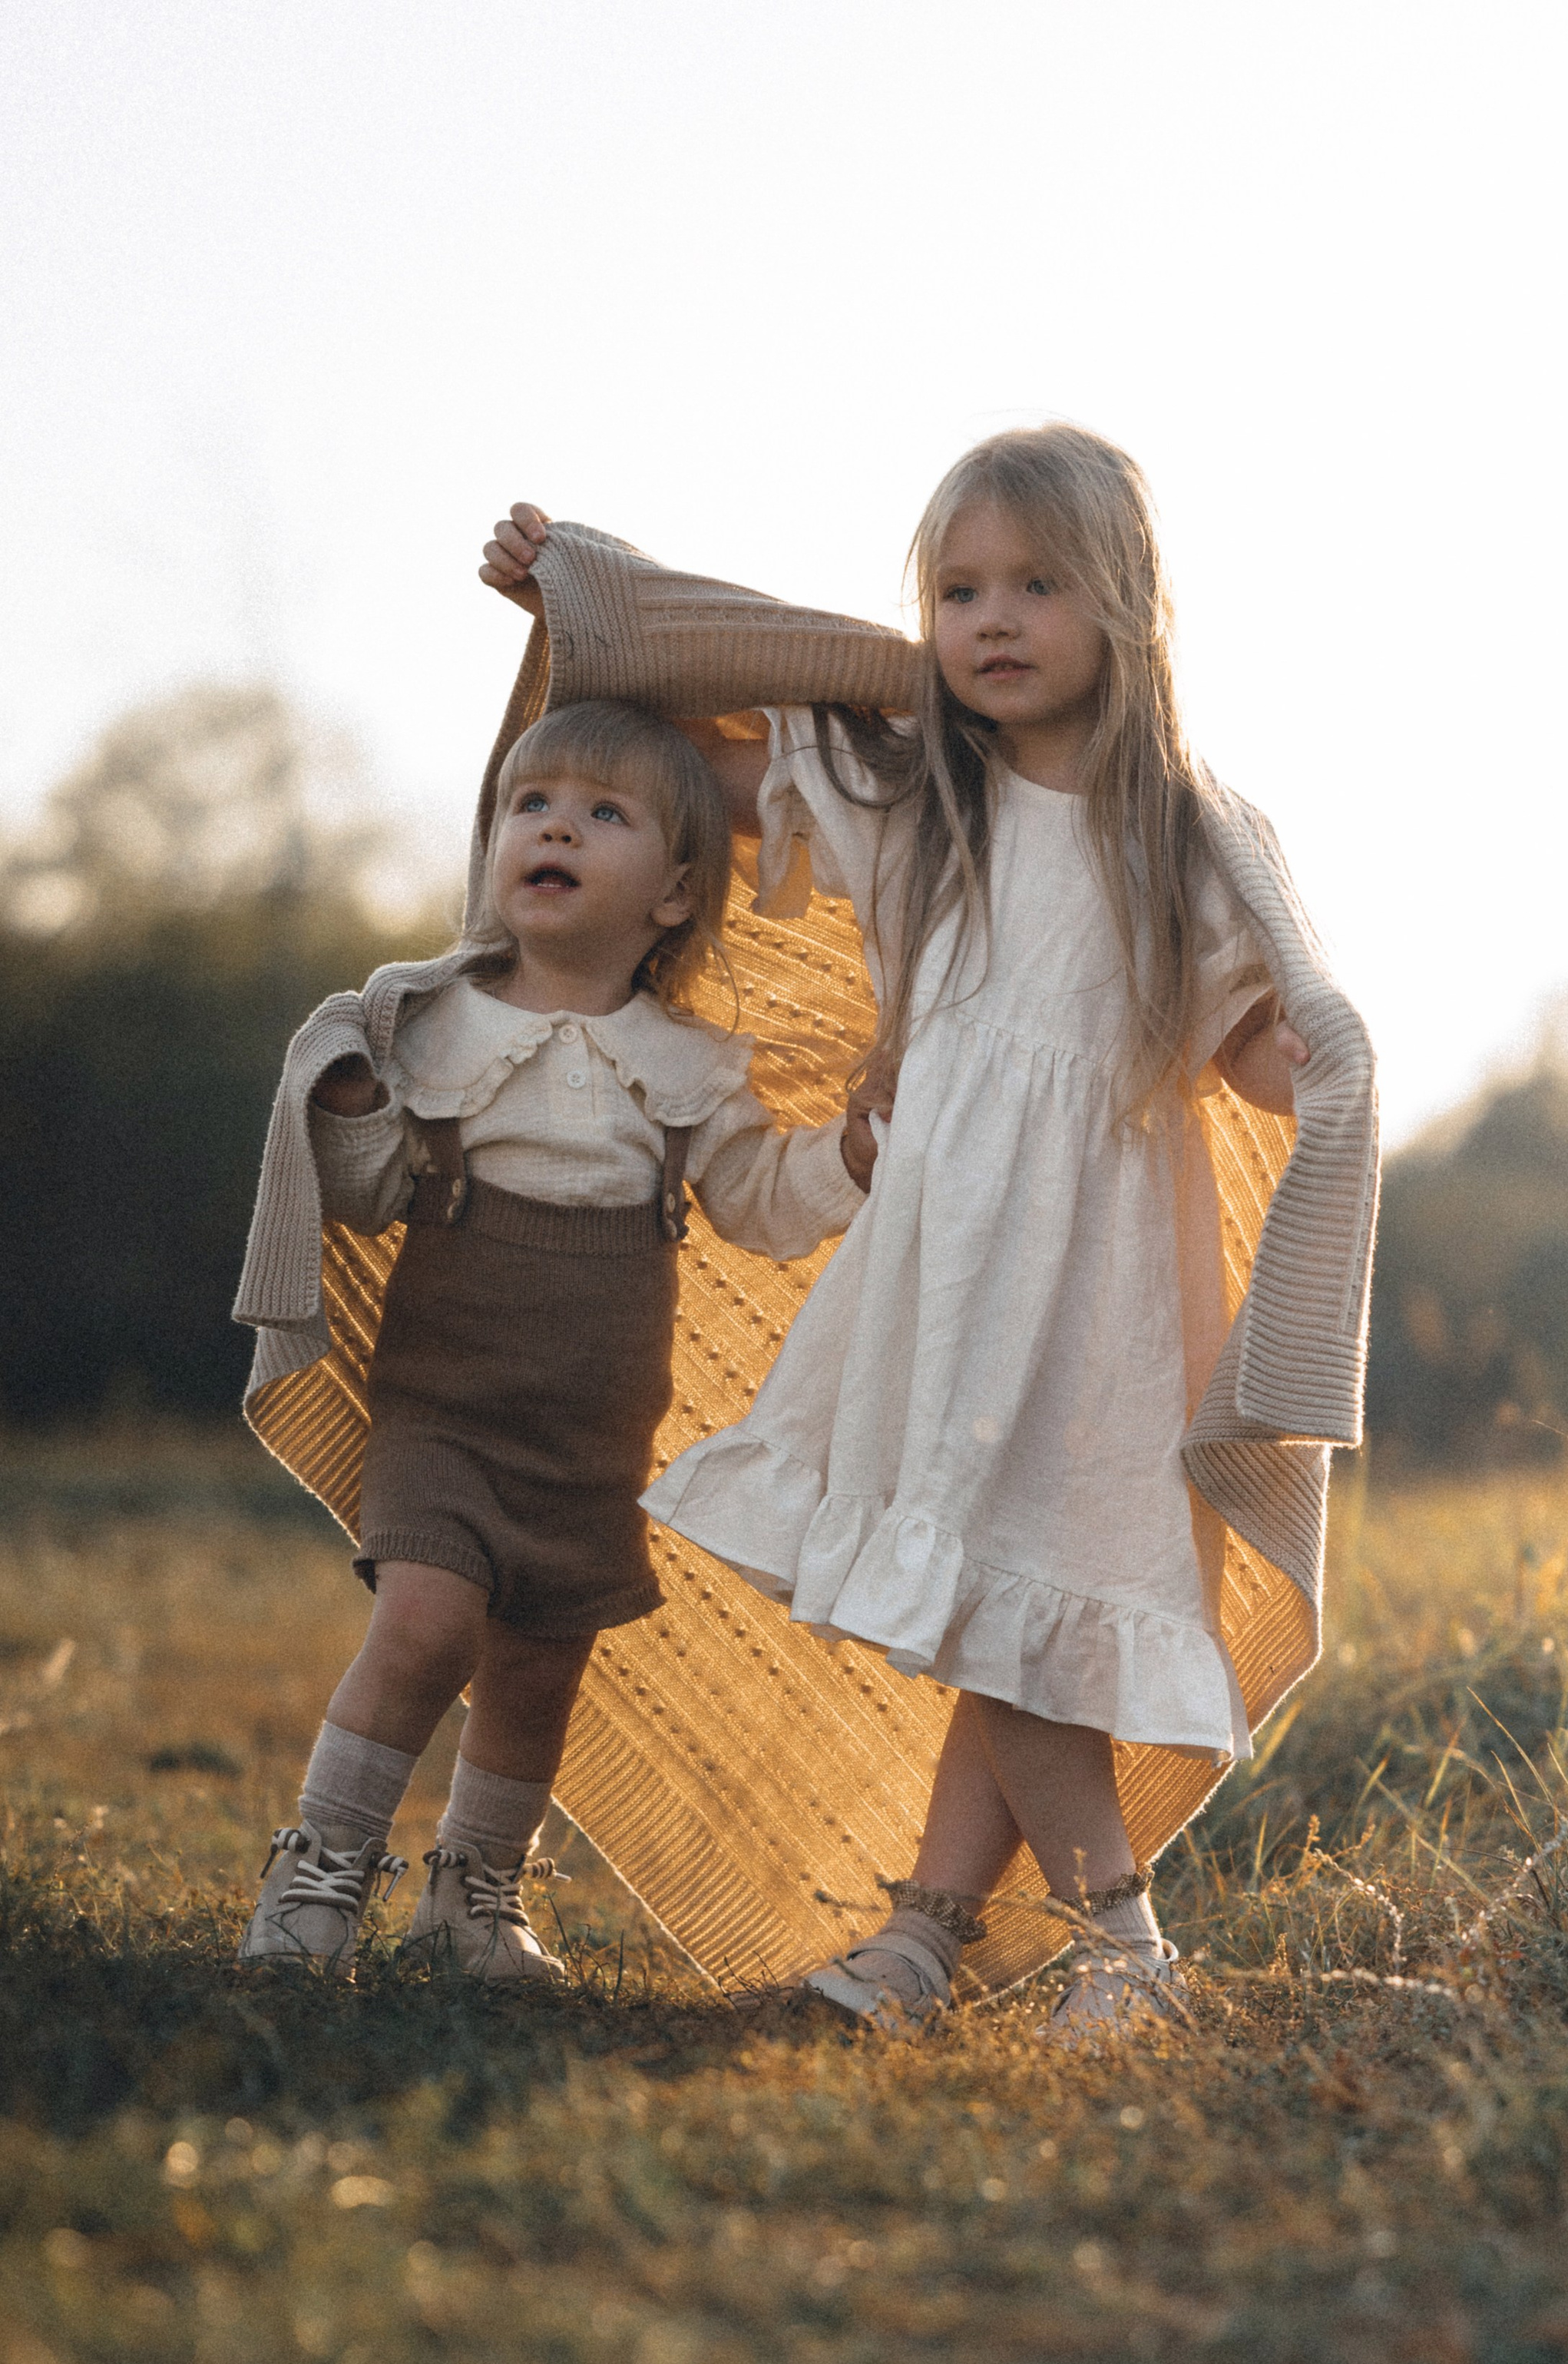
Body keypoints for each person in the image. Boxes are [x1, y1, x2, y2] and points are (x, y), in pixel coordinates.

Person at [481, 427, 1376, 2041]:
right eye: (957, 589)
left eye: (1036, 583)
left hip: (1097, 1283)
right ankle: (931, 1939)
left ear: (1127, 604)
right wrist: (583, 606)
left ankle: (1116, 1945)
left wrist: (1295, 1068)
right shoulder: (913, 792)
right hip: (953, 1273)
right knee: (995, 1592)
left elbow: (1231, 1032)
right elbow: (685, 764)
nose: (992, 619)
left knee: (1009, 1592)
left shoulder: (1187, 830)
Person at [234, 700, 875, 1978]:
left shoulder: (688, 1065)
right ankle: (319, 1871)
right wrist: (352, 1106)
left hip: (591, 1438)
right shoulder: (432, 1028)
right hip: (446, 1412)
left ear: (677, 894)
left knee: (536, 1672)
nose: (556, 827)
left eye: (603, 814)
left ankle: (474, 1901)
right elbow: (364, 1200)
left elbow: (754, 1206)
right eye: (532, 806)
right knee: (425, 1626)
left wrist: (853, 1152)